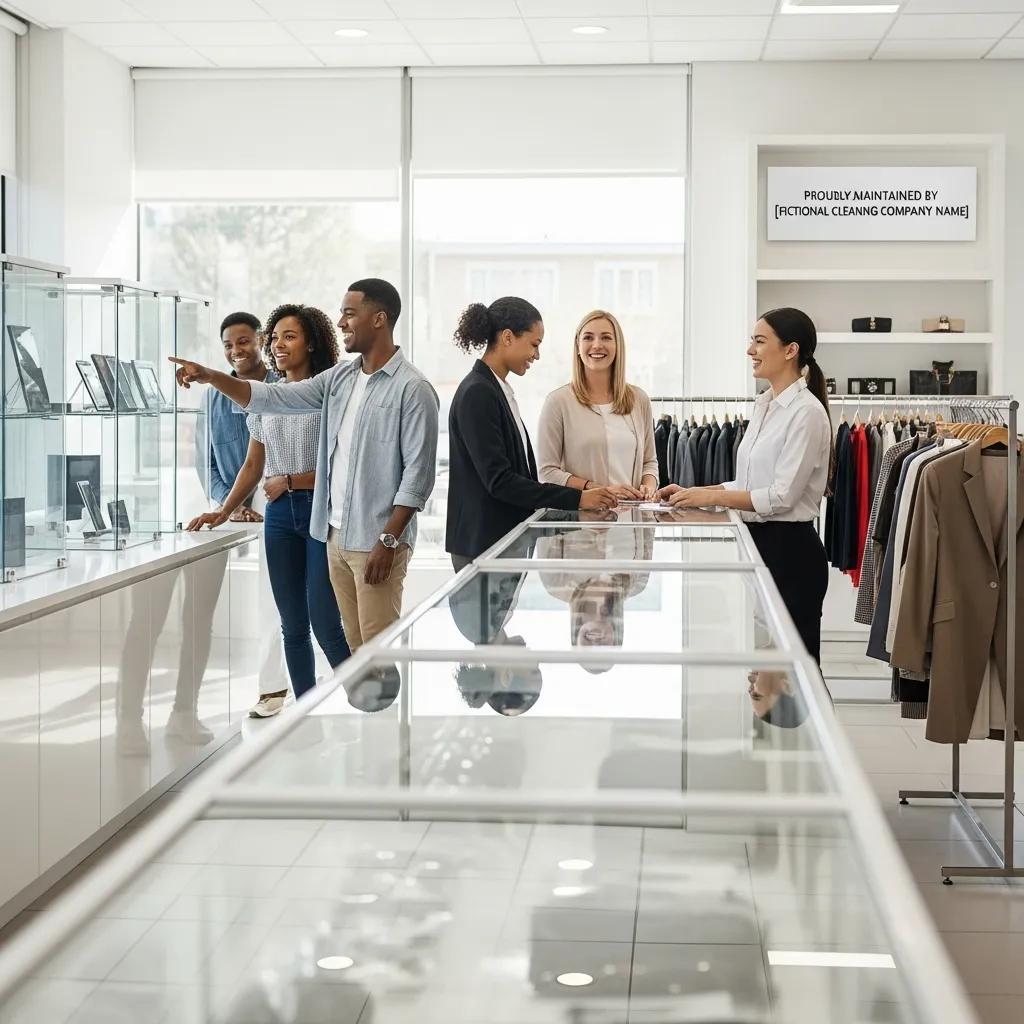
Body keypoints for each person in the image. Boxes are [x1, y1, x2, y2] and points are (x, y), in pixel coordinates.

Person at [171, 279, 438, 651]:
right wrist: (212, 376)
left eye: (349, 314)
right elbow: (272, 397)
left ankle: (384, 711)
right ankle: (349, 708)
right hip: (335, 537)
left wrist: (388, 539)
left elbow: (418, 477)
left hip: (376, 542)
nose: (342, 322)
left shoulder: (413, 388)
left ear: (379, 319)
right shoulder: (340, 378)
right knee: (353, 649)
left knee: (377, 653)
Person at [186, 303, 351, 703]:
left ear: (312, 343)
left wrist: (293, 480)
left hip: (318, 511)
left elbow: (342, 466)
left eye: (289, 337)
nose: (277, 345)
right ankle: (304, 715)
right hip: (278, 518)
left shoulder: (330, 391)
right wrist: (223, 510)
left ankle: (365, 701)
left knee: (325, 622)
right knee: (291, 626)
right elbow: (253, 464)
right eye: (274, 337)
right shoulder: (267, 397)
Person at [657, 307, 833, 665]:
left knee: (797, 674)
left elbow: (782, 496)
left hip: (791, 553)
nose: (749, 350)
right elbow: (751, 484)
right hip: (761, 546)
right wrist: (696, 493)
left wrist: (715, 496)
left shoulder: (807, 412)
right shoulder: (765, 405)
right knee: (766, 663)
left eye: (759, 341)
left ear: (790, 350)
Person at [445, 296, 617, 571]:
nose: (536, 355)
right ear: (508, 337)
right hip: (482, 546)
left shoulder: (495, 389)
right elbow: (500, 481)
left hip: (499, 543)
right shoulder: (478, 392)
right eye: (534, 344)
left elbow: (517, 476)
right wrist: (577, 498)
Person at [537, 309, 658, 501]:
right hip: (583, 523)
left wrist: (648, 487)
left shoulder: (639, 399)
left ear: (618, 346)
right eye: (588, 338)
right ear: (577, 346)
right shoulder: (558, 402)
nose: (597, 345)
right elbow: (547, 471)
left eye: (606, 338)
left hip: (633, 522)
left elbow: (649, 462)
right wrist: (595, 489)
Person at [196, 312, 277, 524]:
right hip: (229, 513)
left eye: (243, 342)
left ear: (261, 340)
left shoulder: (283, 388)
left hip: (278, 504)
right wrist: (233, 505)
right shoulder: (212, 397)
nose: (235, 351)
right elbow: (205, 464)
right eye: (228, 345)